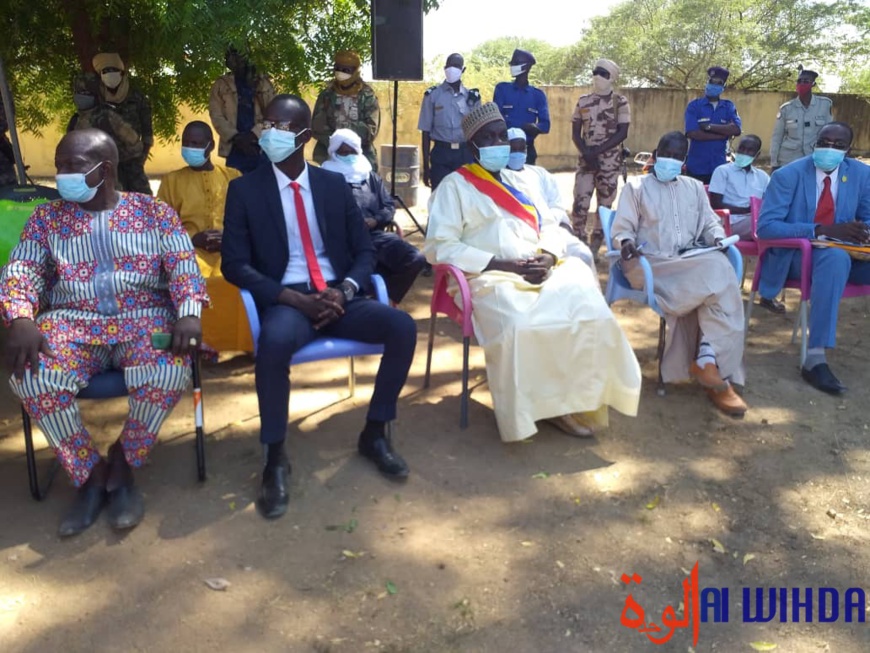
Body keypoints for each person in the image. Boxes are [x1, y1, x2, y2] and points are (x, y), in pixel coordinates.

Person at [0, 129, 207, 536]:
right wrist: (21, 317)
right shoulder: (47, 218)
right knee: (32, 375)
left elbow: (184, 264)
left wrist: (188, 312)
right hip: (72, 323)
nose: (61, 175)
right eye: (59, 166)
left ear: (105, 169)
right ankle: (90, 473)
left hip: (144, 320)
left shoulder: (153, 213)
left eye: (71, 166)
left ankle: (124, 462)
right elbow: (22, 269)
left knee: (168, 371)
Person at [221, 95, 417, 520]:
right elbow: (235, 264)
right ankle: (275, 456)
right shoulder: (244, 190)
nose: (270, 132)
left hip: (336, 294)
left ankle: (375, 432)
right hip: (288, 299)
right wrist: (293, 300)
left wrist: (344, 290)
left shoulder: (331, 186)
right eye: (266, 123)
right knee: (273, 344)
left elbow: (365, 251)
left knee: (401, 328)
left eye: (283, 126)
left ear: (307, 137)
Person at [424, 102, 641, 442]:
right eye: (489, 138)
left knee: (591, 312)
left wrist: (550, 256)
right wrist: (502, 265)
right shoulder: (453, 187)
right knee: (521, 326)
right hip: (489, 277)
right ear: (472, 146)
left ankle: (575, 400)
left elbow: (551, 225)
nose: (499, 144)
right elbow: (439, 246)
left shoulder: (521, 181)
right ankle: (541, 409)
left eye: (501, 136)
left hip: (540, 268)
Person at [613, 131, 747, 417]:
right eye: (667, 153)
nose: (671, 160)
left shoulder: (694, 188)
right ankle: (713, 364)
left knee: (716, 268)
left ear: (684, 161)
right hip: (650, 264)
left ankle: (708, 361)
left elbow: (710, 223)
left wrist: (717, 239)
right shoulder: (636, 188)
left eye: (678, 156)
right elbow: (623, 229)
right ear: (655, 152)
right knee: (720, 275)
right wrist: (625, 244)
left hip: (688, 261)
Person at [756, 122, 870, 394]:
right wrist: (821, 230)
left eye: (838, 145)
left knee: (838, 257)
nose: (829, 149)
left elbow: (867, 216)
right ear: (814, 144)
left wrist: (864, 232)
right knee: (835, 259)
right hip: (797, 256)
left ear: (849, 150)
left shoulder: (861, 175)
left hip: (848, 255)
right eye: (824, 142)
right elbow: (767, 227)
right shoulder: (788, 175)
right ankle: (814, 358)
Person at [157, 121, 252, 352]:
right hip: (188, 252)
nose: (190, 148)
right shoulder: (172, 181)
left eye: (197, 144)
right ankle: (200, 346)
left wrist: (229, 239)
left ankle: (237, 344)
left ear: (210, 147)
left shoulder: (233, 176)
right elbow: (160, 226)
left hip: (229, 250)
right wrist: (191, 240)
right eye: (186, 143)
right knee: (195, 283)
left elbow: (247, 219)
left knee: (235, 279)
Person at [322, 129, 426, 304]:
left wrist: (375, 220)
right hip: (342, 240)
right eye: (343, 152)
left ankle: (387, 301)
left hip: (373, 236)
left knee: (415, 258)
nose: (348, 156)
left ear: (358, 151)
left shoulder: (369, 176)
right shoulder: (325, 177)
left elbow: (388, 206)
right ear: (334, 152)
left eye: (351, 152)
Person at [503, 127, 594, 268]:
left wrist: (556, 226)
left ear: (526, 150)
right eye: (513, 149)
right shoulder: (499, 176)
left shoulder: (540, 174)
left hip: (550, 229)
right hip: (520, 235)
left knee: (583, 254)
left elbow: (556, 206)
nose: (517, 153)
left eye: (521, 149)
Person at [571, 58, 630, 259]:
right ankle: (578, 243)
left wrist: (597, 152)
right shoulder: (583, 101)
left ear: (611, 77)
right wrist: (587, 153)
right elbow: (576, 133)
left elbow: (622, 133)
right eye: (595, 71)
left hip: (609, 164)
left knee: (604, 207)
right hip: (586, 163)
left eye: (602, 73)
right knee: (580, 203)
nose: (597, 76)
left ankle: (596, 246)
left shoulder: (620, 102)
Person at [417, 53, 481, 190]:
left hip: (465, 154)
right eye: (449, 65)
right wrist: (426, 165)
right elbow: (425, 132)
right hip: (441, 154)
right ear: (444, 68)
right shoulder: (433, 95)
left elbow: (478, 133)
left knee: (465, 198)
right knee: (440, 198)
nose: (452, 69)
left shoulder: (472, 98)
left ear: (463, 70)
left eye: (456, 66)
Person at [209, 46, 276, 174]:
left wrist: (253, 135)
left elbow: (273, 115)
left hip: (261, 146)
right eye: (228, 56)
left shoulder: (263, 83)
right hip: (234, 147)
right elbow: (216, 115)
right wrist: (237, 138)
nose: (231, 60)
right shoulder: (221, 84)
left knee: (264, 187)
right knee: (237, 186)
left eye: (235, 55)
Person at [92, 52, 153, 194]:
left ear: (122, 73)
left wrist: (143, 153)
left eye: (114, 70)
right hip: (106, 159)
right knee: (111, 199)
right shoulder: (97, 98)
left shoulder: (136, 97)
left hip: (133, 158)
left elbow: (147, 128)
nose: (110, 74)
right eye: (106, 71)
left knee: (143, 198)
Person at [312, 51, 381, 171]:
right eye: (337, 68)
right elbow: (317, 127)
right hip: (327, 157)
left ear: (355, 71)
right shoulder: (327, 95)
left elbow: (370, 130)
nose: (340, 73)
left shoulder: (367, 95)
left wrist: (346, 140)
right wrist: (336, 145)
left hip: (361, 157)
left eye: (346, 70)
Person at [684, 66, 741, 184]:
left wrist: (709, 127)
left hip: (719, 166)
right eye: (712, 81)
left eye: (718, 83)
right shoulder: (694, 106)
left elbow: (736, 129)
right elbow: (693, 133)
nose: (714, 85)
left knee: (715, 201)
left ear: (723, 87)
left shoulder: (728, 106)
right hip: (696, 166)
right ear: (707, 82)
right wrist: (722, 135)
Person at [493, 49, 550, 165]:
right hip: (505, 149)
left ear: (527, 67)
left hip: (526, 150)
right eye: (512, 64)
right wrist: (521, 127)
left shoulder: (537, 95)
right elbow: (496, 119)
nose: (512, 67)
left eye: (516, 64)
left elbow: (546, 125)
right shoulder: (502, 89)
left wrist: (534, 127)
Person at [708, 134, 770, 240]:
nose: (744, 153)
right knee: (766, 223)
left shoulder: (763, 177)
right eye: (742, 148)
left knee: (773, 220)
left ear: (757, 154)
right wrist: (746, 210)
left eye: (750, 150)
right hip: (729, 222)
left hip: (753, 220)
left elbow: (769, 202)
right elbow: (715, 204)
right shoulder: (722, 171)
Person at [770, 69, 833, 172]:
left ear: (813, 84)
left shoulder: (824, 105)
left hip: (814, 158)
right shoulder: (787, 108)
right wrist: (774, 163)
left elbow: (828, 134)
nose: (801, 84)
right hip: (788, 160)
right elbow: (777, 137)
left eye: (806, 81)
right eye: (799, 81)